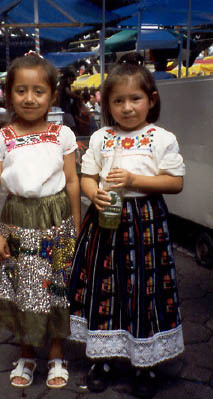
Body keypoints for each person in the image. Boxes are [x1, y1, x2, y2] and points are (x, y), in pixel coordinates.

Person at [68, 60, 185, 398]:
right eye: (117, 101)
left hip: (146, 224)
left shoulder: (161, 138)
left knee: (145, 288)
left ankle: (144, 364)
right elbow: (87, 177)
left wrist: (134, 180)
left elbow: (174, 182)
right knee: (106, 286)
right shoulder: (102, 137)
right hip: (105, 221)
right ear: (106, 105)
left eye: (135, 98)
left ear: (151, 99)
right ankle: (103, 359)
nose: (127, 107)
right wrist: (94, 194)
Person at [0, 53, 81, 390]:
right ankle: (26, 353)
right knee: (25, 289)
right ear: (9, 94)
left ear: (53, 94)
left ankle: (56, 353)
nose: (29, 98)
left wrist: (77, 225)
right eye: (21, 90)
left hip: (58, 220)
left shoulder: (62, 135)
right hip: (17, 221)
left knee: (57, 287)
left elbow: (71, 181)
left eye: (38, 91)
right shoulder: (2, 137)